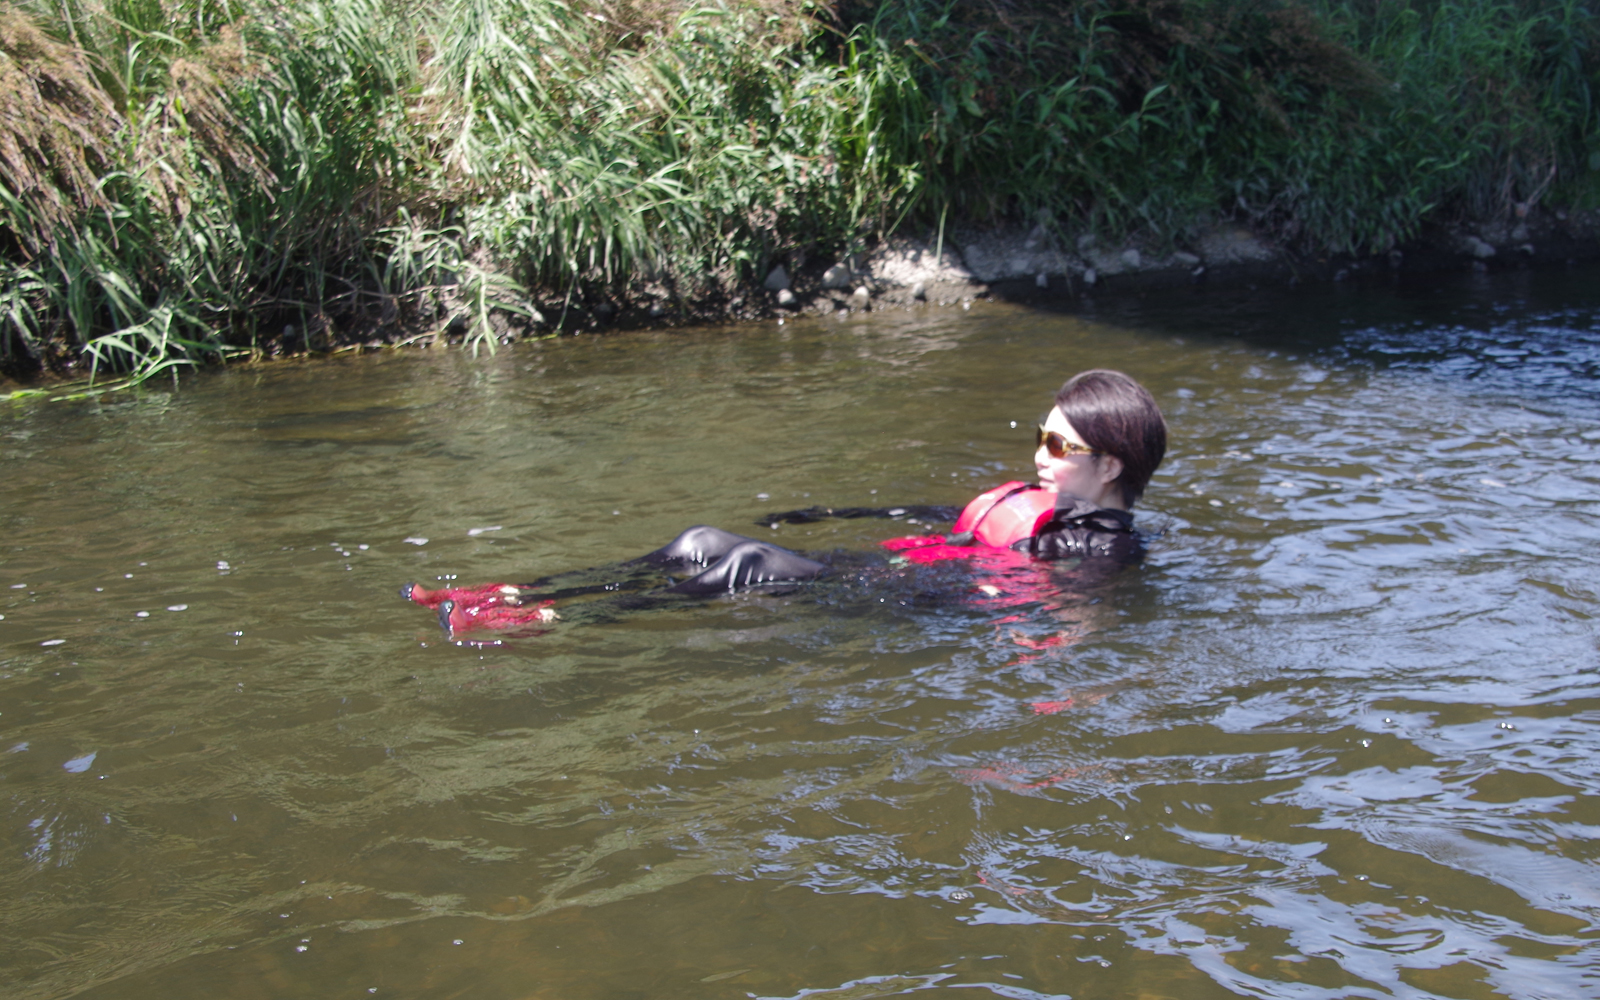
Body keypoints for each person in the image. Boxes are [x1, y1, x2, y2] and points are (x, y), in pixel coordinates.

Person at [402, 369, 1166, 635]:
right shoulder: (1046, 503)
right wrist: (828, 516)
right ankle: (519, 588)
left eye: (1059, 447)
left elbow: (1067, 604)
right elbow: (947, 516)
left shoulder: (1103, 543)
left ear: (1109, 467)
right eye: (1042, 434)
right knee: (701, 539)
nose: (1039, 453)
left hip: (898, 599)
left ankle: (546, 622)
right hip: (882, 562)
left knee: (742, 569)